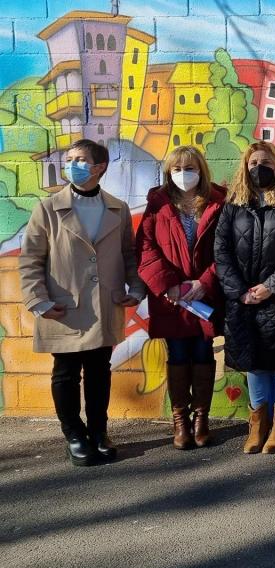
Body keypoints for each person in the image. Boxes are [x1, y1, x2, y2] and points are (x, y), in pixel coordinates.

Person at [19, 139, 145, 466]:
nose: (73, 164)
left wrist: (135, 287)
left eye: (81, 159)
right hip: (63, 305)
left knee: (99, 371)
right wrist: (39, 301)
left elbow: (128, 256)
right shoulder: (47, 209)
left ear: (99, 167)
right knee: (65, 372)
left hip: (105, 303)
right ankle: (74, 434)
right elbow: (30, 259)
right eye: (70, 158)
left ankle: (99, 432)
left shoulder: (116, 208)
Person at [215, 142, 275, 455]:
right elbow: (221, 250)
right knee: (253, 362)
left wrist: (271, 286)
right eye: (254, 162)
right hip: (242, 299)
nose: (259, 167)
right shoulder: (233, 204)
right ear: (245, 166)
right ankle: (257, 422)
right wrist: (240, 290)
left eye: (266, 162)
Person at [137, 145, 225, 450]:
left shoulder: (218, 202)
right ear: (168, 173)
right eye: (177, 169)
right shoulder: (158, 204)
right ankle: (180, 422)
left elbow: (225, 250)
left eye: (190, 168)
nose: (184, 175)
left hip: (204, 297)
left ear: (200, 171)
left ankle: (201, 419)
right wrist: (169, 285)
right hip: (172, 300)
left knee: (203, 353)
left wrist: (204, 282)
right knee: (177, 354)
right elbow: (146, 248)